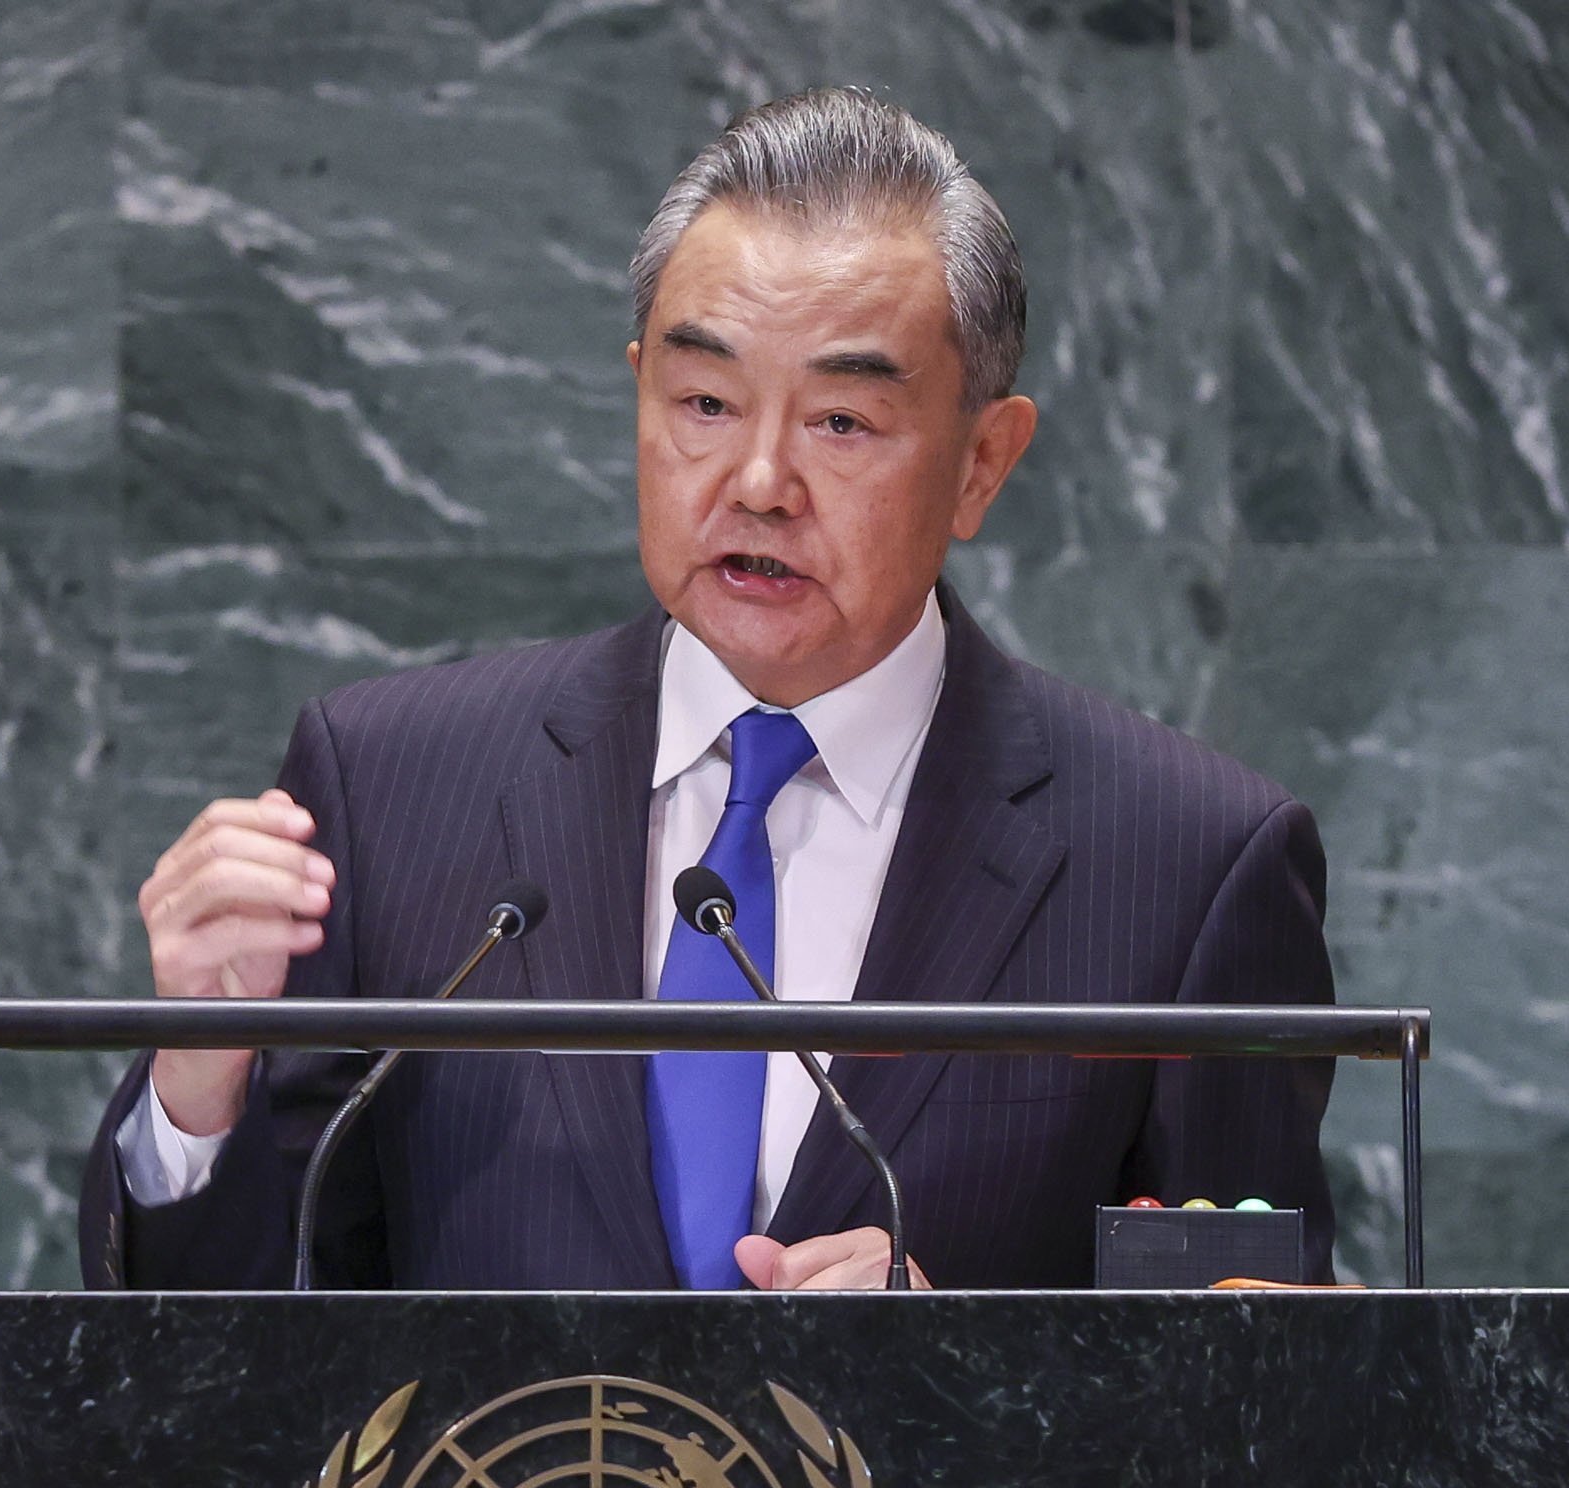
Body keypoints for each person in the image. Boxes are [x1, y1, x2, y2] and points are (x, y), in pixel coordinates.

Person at [80, 88, 1335, 1292]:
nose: (758, 479)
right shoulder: (389, 792)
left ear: (981, 462)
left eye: (841, 421)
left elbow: (1260, 1417)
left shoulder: (1186, 867)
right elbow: (235, 1367)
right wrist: (202, 1080)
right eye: (702, 401)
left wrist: (973, 1369)